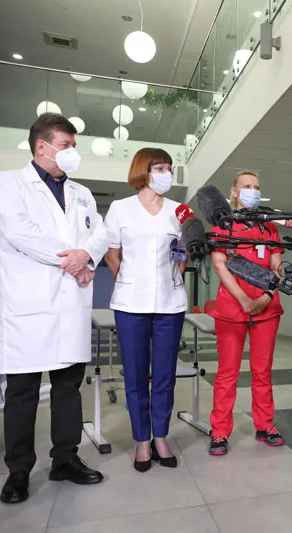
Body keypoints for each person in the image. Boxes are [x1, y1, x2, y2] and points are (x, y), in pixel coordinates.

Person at [0, 113, 109, 504]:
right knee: (21, 391)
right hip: (29, 303)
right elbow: (19, 232)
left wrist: (87, 257)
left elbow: (100, 232)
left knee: (68, 387)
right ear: (42, 146)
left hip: (71, 303)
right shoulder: (8, 184)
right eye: (66, 145)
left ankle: (66, 460)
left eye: (74, 145)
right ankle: (18, 471)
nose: (73, 152)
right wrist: (72, 260)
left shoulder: (83, 193)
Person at [103, 148, 187, 472]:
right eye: (159, 168)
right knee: (136, 375)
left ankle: (161, 436)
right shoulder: (120, 209)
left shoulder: (178, 211)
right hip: (130, 305)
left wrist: (175, 275)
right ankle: (142, 439)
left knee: (165, 375)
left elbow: (183, 253)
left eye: (168, 167)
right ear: (143, 171)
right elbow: (112, 253)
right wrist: (127, 280)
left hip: (170, 304)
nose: (166, 173)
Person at [206, 170, 285, 455]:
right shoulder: (223, 226)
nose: (252, 190)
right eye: (247, 186)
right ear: (235, 191)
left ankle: (265, 425)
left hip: (267, 308)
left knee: (262, 371)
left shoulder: (269, 228)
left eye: (257, 187)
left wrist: (266, 296)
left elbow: (277, 265)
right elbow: (219, 264)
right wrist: (242, 298)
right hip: (232, 308)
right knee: (227, 373)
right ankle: (219, 431)